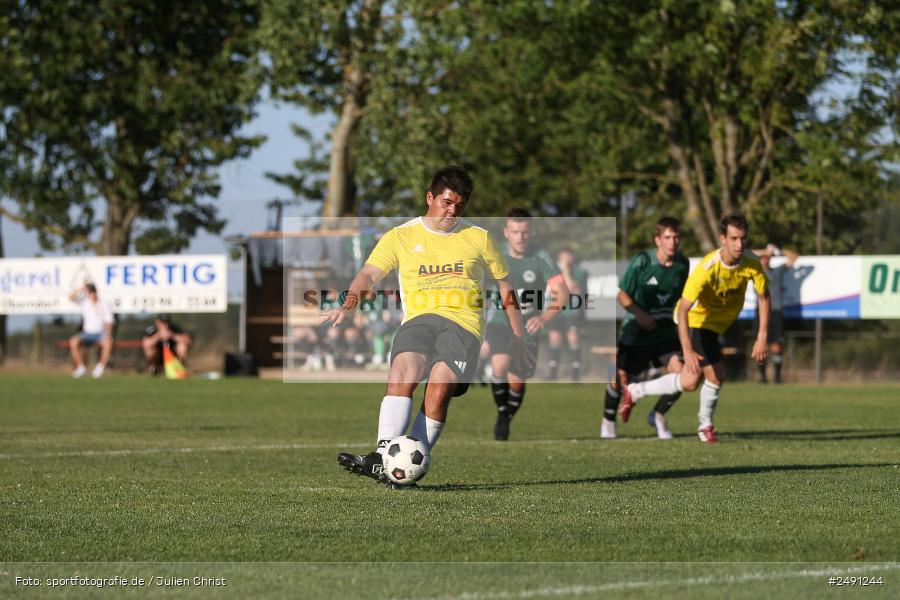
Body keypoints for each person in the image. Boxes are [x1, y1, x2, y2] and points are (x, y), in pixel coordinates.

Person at [319, 166, 530, 487]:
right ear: (430, 198)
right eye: (447, 202)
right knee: (402, 375)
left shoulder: (479, 237)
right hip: (419, 321)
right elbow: (368, 275)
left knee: (439, 389)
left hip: (464, 325)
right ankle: (383, 458)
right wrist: (349, 305)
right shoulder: (400, 236)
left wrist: (518, 336)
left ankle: (403, 469)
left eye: (460, 205)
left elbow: (505, 284)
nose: (452, 211)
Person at [618, 214, 770, 443]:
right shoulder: (707, 268)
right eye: (734, 238)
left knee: (690, 382)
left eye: (743, 238)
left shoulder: (751, 263)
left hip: (716, 326)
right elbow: (683, 310)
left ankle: (635, 391)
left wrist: (762, 336)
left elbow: (764, 297)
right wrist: (688, 350)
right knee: (716, 375)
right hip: (696, 322)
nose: (739, 244)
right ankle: (705, 427)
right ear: (723, 239)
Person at [603, 217, 690, 440]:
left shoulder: (683, 264)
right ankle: (608, 421)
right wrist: (639, 314)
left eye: (676, 237)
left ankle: (658, 415)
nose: (672, 242)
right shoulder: (642, 261)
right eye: (667, 237)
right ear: (657, 240)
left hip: (665, 333)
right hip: (636, 333)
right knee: (621, 377)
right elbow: (622, 294)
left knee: (683, 374)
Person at [485, 208, 568, 441]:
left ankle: (506, 415)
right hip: (500, 320)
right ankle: (503, 415)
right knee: (499, 365)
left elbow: (563, 293)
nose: (520, 237)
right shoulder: (496, 253)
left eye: (525, 232)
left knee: (517, 382)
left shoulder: (541, 257)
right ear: (506, 232)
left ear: (531, 232)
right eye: (515, 232)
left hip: (528, 326)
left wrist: (543, 318)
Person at [755, 244, 798, 384]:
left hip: (776, 311)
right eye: (763, 257)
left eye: (767, 257)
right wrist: (765, 251)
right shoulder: (754, 270)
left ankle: (777, 378)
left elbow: (794, 257)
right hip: (761, 311)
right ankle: (762, 378)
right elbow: (745, 253)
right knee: (761, 344)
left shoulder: (777, 271)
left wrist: (778, 250)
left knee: (777, 345)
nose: (765, 259)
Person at [547, 248, 589, 381]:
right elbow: (553, 290)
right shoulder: (552, 271)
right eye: (563, 256)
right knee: (554, 340)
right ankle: (552, 374)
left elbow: (571, 288)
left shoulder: (580, 272)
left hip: (571, 312)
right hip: (555, 312)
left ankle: (575, 374)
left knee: (573, 340)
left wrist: (565, 270)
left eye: (569, 256)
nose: (566, 259)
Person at [68, 283, 114, 378]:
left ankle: (100, 368)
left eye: (91, 292)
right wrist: (81, 288)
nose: (90, 295)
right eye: (88, 293)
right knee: (73, 341)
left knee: (108, 343)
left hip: (101, 334)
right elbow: (70, 297)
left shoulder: (104, 303)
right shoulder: (84, 302)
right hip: (87, 334)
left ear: (95, 292)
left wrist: (108, 334)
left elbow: (109, 321)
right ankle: (81, 368)